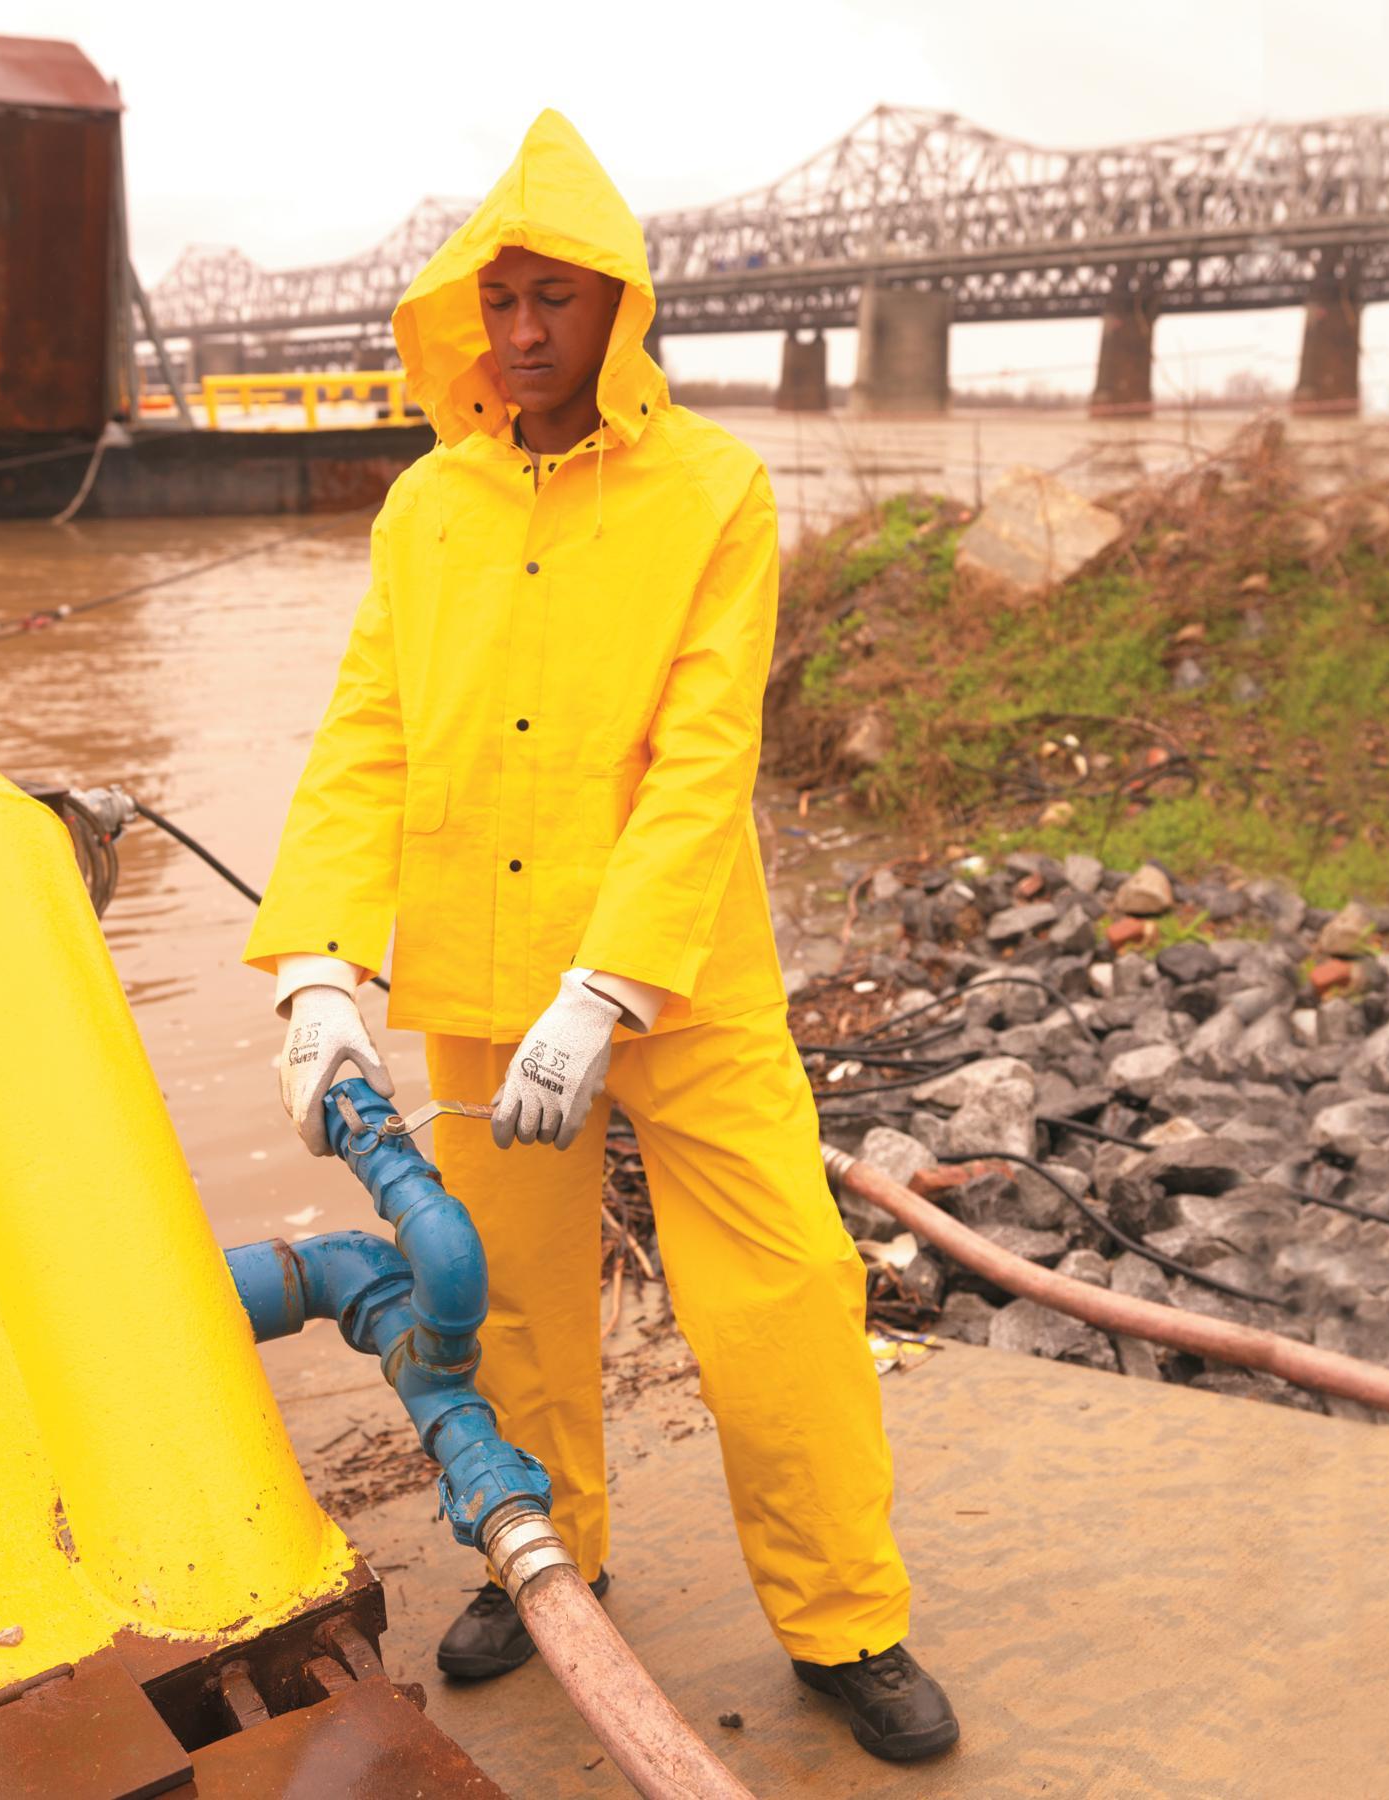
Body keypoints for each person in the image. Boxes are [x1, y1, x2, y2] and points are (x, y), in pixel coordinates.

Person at [244, 109, 958, 1765]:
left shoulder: (715, 490)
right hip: (486, 992)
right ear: (466, 315)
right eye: (499, 303)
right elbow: (369, 739)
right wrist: (319, 972)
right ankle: (536, 1545)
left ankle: (846, 1621)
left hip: (681, 990)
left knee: (782, 1297)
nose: (521, 332)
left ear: (619, 310)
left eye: (555, 300)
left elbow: (708, 758)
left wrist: (608, 986)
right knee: (502, 1309)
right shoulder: (425, 507)